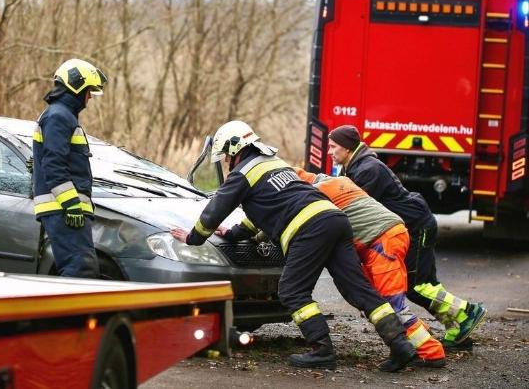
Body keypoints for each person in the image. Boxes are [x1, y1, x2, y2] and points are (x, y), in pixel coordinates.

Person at [171, 120, 415, 371]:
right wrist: (233, 233)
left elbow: (214, 212)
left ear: (235, 148)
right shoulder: (274, 163)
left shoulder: (242, 173)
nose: (225, 161)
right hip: (335, 220)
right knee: (358, 289)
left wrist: (192, 238)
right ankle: (400, 345)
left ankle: (322, 350)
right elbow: (264, 212)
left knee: (291, 290)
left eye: (225, 155)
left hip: (310, 228)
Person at [328, 125, 487, 349]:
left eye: (333, 146)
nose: (329, 151)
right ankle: (458, 324)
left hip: (416, 226)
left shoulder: (367, 170)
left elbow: (355, 209)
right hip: (411, 224)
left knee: (417, 285)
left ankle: (467, 312)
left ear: (346, 148)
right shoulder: (355, 167)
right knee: (424, 284)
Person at [294, 169, 446, 367]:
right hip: (390, 236)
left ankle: (431, 353)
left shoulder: (317, 193)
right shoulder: (338, 181)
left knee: (391, 306)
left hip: (381, 243)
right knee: (387, 302)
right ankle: (415, 343)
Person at [31, 58, 107, 278]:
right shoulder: (59, 116)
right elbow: (53, 164)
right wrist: (71, 203)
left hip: (60, 209)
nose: (90, 97)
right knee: (80, 270)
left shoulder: (59, 115)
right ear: (77, 87)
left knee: (80, 268)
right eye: (89, 91)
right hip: (63, 209)